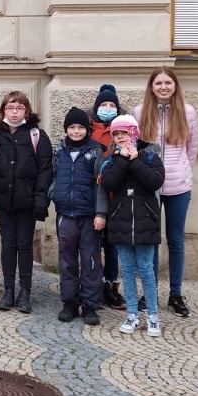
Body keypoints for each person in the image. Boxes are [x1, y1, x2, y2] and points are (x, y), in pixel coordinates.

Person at [133, 67, 198, 319]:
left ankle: (175, 293)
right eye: (158, 83)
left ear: (175, 86)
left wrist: (184, 172)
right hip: (149, 185)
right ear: (151, 87)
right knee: (150, 240)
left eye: (168, 82)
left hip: (178, 185)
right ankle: (148, 292)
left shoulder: (188, 112)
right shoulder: (140, 112)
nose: (163, 87)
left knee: (175, 239)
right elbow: (136, 147)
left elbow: (192, 148)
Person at [96, 115, 166, 337]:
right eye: (115, 134)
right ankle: (132, 314)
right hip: (121, 221)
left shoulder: (149, 156)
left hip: (146, 221)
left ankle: (152, 316)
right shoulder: (112, 159)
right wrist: (123, 160)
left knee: (146, 269)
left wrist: (135, 161)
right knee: (126, 269)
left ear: (134, 133)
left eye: (123, 133)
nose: (119, 137)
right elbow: (108, 182)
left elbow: (155, 181)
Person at [0, 91, 53, 315]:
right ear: (3, 110)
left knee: (24, 245)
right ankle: (8, 290)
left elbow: (45, 170)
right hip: (4, 200)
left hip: (27, 201)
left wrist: (40, 201)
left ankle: (25, 291)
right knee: (8, 244)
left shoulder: (37, 135)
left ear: (26, 111)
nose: (14, 112)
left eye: (19, 108)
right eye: (10, 108)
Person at [51, 107, 107, 326]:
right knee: (67, 261)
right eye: (72, 127)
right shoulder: (60, 150)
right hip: (66, 214)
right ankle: (70, 302)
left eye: (80, 127)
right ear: (66, 129)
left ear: (87, 129)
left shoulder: (95, 151)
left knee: (91, 260)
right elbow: (53, 175)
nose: (76, 131)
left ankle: (90, 304)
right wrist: (54, 193)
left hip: (89, 215)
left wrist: (101, 212)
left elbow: (101, 185)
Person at [87, 84, 127, 311]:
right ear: (96, 108)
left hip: (116, 196)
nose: (108, 108)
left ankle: (111, 285)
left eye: (112, 105)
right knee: (93, 244)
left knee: (112, 246)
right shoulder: (88, 129)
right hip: (92, 195)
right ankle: (95, 286)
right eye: (104, 104)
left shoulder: (122, 130)